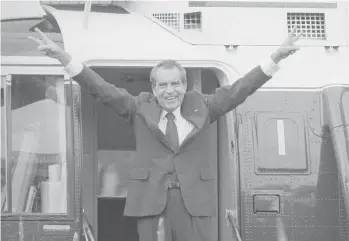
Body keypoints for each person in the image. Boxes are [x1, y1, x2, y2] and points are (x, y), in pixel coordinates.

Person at [30, 26, 301, 241]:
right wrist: (63, 57)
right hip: (151, 203)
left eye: (174, 84)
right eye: (162, 85)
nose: (169, 91)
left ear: (184, 85)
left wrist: (276, 57)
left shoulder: (205, 106)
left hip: (195, 204)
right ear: (153, 87)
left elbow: (242, 88)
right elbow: (100, 88)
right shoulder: (138, 107)